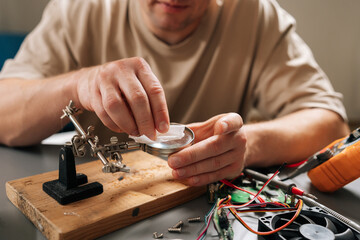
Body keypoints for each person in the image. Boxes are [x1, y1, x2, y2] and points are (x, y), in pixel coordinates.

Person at [0, 0, 349, 186]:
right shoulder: (80, 8)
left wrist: (247, 145)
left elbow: (330, 125)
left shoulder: (256, 13)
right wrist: (77, 84)